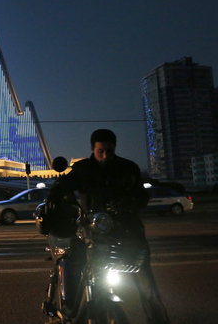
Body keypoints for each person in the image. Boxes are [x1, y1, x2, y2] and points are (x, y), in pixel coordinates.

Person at [48, 129, 170, 324]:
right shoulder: (82, 169)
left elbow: (142, 196)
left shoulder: (127, 168)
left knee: (148, 289)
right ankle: (75, 313)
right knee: (86, 279)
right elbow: (63, 184)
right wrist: (53, 198)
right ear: (93, 149)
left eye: (109, 151)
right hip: (94, 236)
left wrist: (127, 203)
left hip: (128, 234)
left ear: (115, 148)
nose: (105, 155)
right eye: (100, 151)